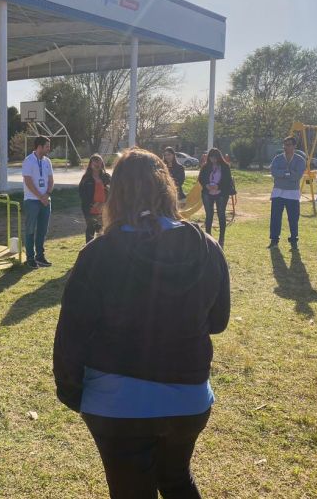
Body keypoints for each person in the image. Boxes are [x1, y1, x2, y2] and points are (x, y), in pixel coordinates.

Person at [53, 148, 230, 499]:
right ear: (167, 188)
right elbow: (218, 321)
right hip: (189, 399)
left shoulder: (98, 254)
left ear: (116, 194)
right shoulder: (207, 247)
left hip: (117, 405)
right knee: (177, 479)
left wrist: (72, 392)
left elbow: (70, 337)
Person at [268, 136, 306, 250]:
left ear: (294, 146)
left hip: (293, 193)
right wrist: (287, 173)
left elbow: (297, 176)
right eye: (284, 145)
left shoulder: (300, 160)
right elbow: (274, 172)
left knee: (293, 218)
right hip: (278, 192)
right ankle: (274, 240)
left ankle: (294, 240)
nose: (286, 147)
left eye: (289, 145)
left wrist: (283, 174)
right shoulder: (277, 158)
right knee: (275, 217)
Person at [22, 136, 54, 268]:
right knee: (30, 230)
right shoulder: (28, 161)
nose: (49, 148)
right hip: (32, 201)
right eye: (47, 146)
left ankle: (40, 256)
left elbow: (51, 180)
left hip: (46, 201)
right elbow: (28, 181)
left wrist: (46, 195)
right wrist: (40, 196)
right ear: (39, 147)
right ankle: (30, 258)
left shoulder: (47, 161)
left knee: (42, 230)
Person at [197, 148, 236, 248]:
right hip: (207, 193)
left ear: (219, 157)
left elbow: (227, 180)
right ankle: (208, 237)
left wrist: (218, 186)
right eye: (211, 157)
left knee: (221, 214)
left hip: (221, 193)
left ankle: (221, 238)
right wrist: (206, 185)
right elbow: (200, 178)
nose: (213, 160)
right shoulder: (205, 167)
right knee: (209, 215)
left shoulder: (225, 167)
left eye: (215, 157)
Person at [78, 154, 111, 243]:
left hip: (104, 209)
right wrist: (95, 204)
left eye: (99, 162)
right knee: (91, 230)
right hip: (90, 209)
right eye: (95, 162)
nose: (97, 164)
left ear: (102, 164)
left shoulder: (106, 177)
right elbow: (82, 194)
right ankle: (88, 251)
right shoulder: (86, 178)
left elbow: (112, 191)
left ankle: (102, 251)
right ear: (90, 164)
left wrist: (104, 204)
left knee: (104, 231)